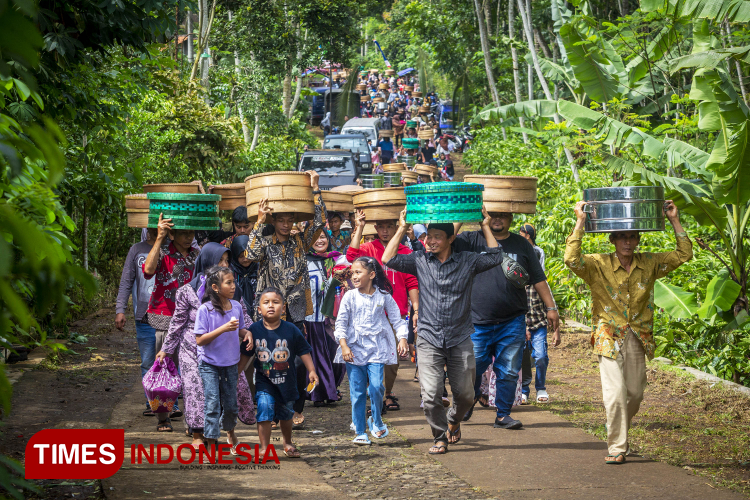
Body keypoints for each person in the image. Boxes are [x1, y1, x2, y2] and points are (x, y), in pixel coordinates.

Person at [564, 200, 692, 464]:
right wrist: (580, 221)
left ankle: (619, 429)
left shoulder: (650, 263)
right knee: (615, 392)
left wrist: (674, 219)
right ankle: (617, 447)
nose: (627, 242)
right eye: (622, 237)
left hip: (637, 335)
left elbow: (683, 254)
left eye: (632, 236)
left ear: (638, 239)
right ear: (612, 239)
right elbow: (571, 259)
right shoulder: (597, 264)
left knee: (634, 393)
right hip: (607, 334)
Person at [382, 208, 506, 455]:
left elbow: (496, 257)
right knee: (430, 395)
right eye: (428, 236)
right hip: (428, 338)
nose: (430, 241)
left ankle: (453, 419)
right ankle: (439, 436)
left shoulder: (467, 261)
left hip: (460, 337)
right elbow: (387, 259)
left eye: (437, 236)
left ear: (451, 239)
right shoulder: (419, 260)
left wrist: (484, 224)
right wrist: (402, 226)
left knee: (466, 396)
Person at [456, 212, 560, 430]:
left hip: (512, 320)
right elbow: (446, 242)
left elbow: (538, 277)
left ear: (511, 218)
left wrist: (551, 308)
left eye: (503, 215)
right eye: (492, 215)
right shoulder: (469, 240)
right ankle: (469, 401)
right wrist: (465, 212)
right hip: (476, 320)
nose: (497, 219)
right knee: (471, 367)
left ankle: (503, 415)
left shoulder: (521, 244)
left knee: (509, 369)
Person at [245, 170, 326, 429]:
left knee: (298, 362)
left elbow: (319, 223)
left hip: (295, 311)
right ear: (274, 220)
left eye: (290, 219)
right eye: (281, 219)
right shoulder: (266, 242)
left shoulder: (301, 242)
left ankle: (293, 409)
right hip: (268, 311)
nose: (286, 224)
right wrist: (259, 221)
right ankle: (269, 405)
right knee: (267, 360)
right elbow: (251, 254)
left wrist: (315, 189)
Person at [156, 242, 256, 441]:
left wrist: (254, 333)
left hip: (224, 351)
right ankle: (198, 436)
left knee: (229, 393)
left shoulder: (232, 291)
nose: (225, 264)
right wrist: (166, 350)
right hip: (192, 349)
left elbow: (245, 317)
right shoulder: (188, 291)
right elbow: (177, 324)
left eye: (227, 260)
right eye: (220, 260)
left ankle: (224, 430)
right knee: (196, 392)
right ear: (208, 262)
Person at [348, 210, 419, 413]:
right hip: (370, 313)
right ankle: (375, 395)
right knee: (370, 354)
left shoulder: (405, 251)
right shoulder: (369, 248)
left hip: (396, 314)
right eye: (381, 226)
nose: (385, 230)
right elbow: (351, 256)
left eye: (389, 226)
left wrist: (415, 309)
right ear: (376, 228)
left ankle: (387, 393)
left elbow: (412, 281)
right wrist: (359, 226)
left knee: (393, 358)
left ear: (396, 227)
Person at [335, 257, 409, 445]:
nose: (354, 276)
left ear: (372, 274)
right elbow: (341, 322)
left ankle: (376, 420)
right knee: (357, 392)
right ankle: (360, 430)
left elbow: (397, 320)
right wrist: (344, 345)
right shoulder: (349, 297)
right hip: (354, 350)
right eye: (352, 273)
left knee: (377, 387)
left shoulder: (383, 296)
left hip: (377, 348)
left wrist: (402, 338)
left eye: (358, 272)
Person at [142, 214, 201, 428]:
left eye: (191, 233)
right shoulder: (164, 252)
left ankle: (193, 421)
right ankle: (163, 418)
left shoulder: (198, 255)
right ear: (173, 233)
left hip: (191, 321)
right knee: (163, 368)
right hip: (164, 317)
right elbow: (148, 271)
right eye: (183, 233)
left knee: (191, 372)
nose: (188, 237)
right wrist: (159, 238)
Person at [250, 287, 319, 459]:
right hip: (264, 381)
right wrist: (237, 377)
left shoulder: (291, 329)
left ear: (284, 307)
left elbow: (304, 351)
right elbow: (245, 355)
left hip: (287, 381)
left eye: (276, 302)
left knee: (287, 413)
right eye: (266, 303)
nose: (271, 306)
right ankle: (265, 448)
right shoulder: (254, 330)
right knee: (264, 409)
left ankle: (287, 442)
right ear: (259, 309)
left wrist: (312, 370)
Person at [193, 265, 251, 452]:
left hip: (231, 363)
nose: (234, 286)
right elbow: (200, 340)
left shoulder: (236, 306)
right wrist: (223, 328)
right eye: (229, 282)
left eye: (234, 282)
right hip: (209, 363)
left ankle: (230, 431)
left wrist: (247, 334)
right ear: (216, 287)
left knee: (231, 404)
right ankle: (211, 443)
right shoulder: (205, 310)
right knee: (212, 403)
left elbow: (240, 329)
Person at [115, 227, 158, 416]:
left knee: (172, 362)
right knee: (148, 361)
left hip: (170, 316)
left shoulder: (173, 248)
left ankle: (170, 402)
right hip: (144, 315)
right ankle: (153, 402)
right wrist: (120, 310)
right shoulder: (136, 250)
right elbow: (126, 281)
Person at [306, 231, 345, 405]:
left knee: (338, 357)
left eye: (323, 237)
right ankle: (321, 394)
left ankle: (331, 388)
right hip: (313, 317)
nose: (319, 240)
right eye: (315, 237)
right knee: (319, 358)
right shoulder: (304, 262)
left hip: (336, 319)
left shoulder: (338, 260)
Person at [518, 224, 550, 404]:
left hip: (539, 324)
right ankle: (524, 390)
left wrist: (557, 328)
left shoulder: (542, 284)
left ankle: (541, 388)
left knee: (540, 357)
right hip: (522, 325)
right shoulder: (517, 283)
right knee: (522, 358)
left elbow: (549, 304)